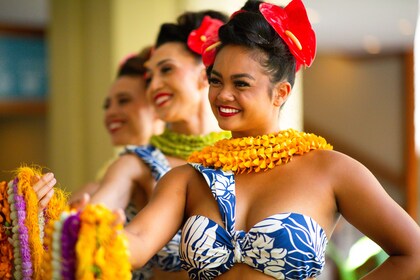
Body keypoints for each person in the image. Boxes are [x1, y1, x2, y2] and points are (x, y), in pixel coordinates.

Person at [116, 0, 420, 279]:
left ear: (281, 92)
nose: (223, 94)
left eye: (241, 83)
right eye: (216, 80)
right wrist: (81, 232)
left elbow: (412, 253)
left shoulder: (332, 170)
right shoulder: (186, 179)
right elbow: (138, 242)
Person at [85, 10, 230, 280]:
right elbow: (93, 216)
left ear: (205, 75)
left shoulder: (250, 157)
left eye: (166, 69)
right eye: (150, 77)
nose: (154, 86)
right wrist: (75, 223)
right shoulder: (137, 163)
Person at [69, 46, 164, 204]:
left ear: (155, 103)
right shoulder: (112, 170)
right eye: (107, 105)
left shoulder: (177, 169)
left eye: (124, 101)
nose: (110, 113)